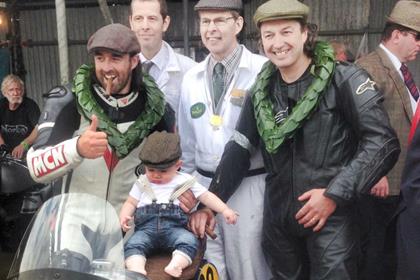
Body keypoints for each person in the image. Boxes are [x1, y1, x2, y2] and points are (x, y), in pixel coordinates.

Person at [189, 0, 401, 278]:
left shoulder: (345, 80)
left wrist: (334, 193)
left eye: (286, 32)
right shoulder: (261, 92)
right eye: (269, 35)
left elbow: (383, 143)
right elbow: (239, 149)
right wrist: (208, 204)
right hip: (279, 223)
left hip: (332, 221)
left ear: (305, 34)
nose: (278, 43)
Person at [25, 24, 175, 266]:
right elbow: (34, 167)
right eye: (99, 58)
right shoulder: (67, 99)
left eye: (115, 58)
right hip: (73, 229)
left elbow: (170, 170)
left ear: (134, 61)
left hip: (128, 230)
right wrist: (77, 149)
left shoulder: (157, 109)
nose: (106, 68)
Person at [177, 0, 271, 279]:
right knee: (209, 268)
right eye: (205, 22)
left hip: (249, 187)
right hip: (203, 187)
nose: (211, 29)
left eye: (220, 21)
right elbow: (187, 145)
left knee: (250, 268)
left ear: (238, 24)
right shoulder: (190, 78)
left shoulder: (262, 70)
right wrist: (185, 187)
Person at [355, 2, 420, 279]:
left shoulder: (404, 72)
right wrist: (375, 172)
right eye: (417, 37)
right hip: (381, 184)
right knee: (376, 255)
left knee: (394, 253)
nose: (419, 45)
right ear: (396, 35)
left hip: (401, 181)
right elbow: (356, 125)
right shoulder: (368, 68)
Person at [120, 131, 237, 278]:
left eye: (163, 171)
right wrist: (124, 216)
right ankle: (137, 269)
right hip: (146, 229)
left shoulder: (184, 180)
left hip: (174, 228)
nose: (156, 175)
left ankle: (176, 264)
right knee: (132, 245)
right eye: (151, 170)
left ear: (178, 165)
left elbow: (206, 196)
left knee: (189, 241)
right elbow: (131, 202)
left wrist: (225, 210)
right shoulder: (142, 182)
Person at [129, 0, 196, 116]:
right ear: (131, 22)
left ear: (165, 23)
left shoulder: (191, 70)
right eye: (138, 18)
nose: (145, 26)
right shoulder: (119, 69)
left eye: (152, 18)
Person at [0, 74, 40, 159]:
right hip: (5, 155)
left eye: (18, 89)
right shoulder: (1, 105)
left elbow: (39, 127)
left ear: (22, 91)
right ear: (4, 93)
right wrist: (2, 146)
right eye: (11, 90)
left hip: (26, 155)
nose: (15, 93)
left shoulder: (30, 105)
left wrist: (23, 145)